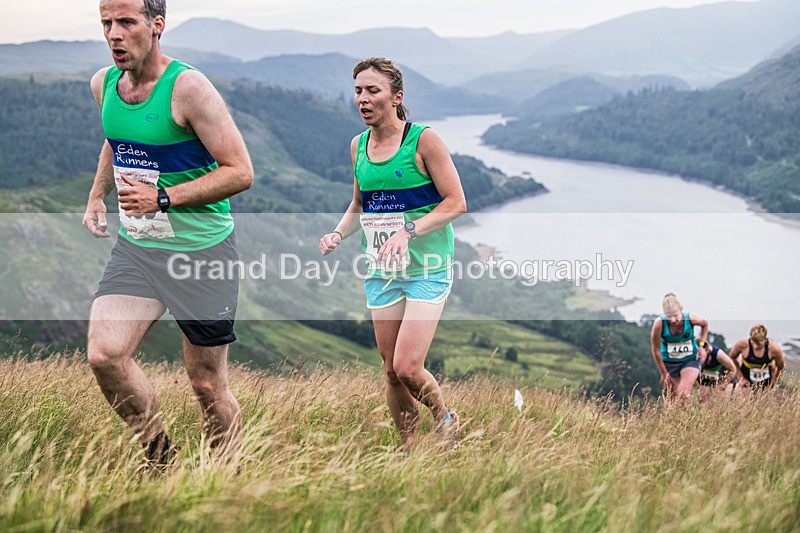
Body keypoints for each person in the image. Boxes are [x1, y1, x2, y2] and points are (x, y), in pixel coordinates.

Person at [82, 0, 253, 469]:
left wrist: (164, 198)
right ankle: (162, 461)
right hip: (138, 250)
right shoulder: (104, 85)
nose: (114, 34)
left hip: (202, 252)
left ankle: (224, 481)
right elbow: (117, 140)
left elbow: (240, 172)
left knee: (206, 385)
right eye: (106, 23)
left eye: (126, 22)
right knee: (105, 355)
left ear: (156, 26)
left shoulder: (189, 88)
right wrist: (98, 195)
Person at [319, 57, 467, 451]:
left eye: (372, 91)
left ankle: (445, 418)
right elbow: (358, 205)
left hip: (427, 269)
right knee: (390, 372)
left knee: (407, 366)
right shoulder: (358, 146)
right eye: (357, 91)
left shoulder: (423, 140)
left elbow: (456, 203)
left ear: (396, 97)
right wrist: (337, 234)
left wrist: (409, 230)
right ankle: (410, 450)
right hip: (382, 271)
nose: (362, 99)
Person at [650, 293, 709, 400]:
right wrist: (664, 374)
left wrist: (701, 346)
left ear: (681, 309)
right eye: (669, 316)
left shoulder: (690, 319)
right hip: (669, 363)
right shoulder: (659, 324)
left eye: (675, 315)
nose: (673, 320)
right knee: (673, 401)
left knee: (683, 394)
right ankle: (687, 414)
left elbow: (704, 324)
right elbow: (655, 350)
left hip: (690, 359)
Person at [729, 324, 786, 391]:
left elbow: (781, 367)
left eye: (759, 343)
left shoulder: (774, 350)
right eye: (753, 342)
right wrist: (741, 377)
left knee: (763, 400)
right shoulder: (741, 345)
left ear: (765, 339)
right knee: (743, 397)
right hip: (746, 379)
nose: (755, 346)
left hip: (766, 381)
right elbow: (732, 358)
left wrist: (773, 383)